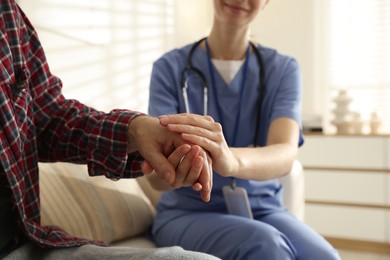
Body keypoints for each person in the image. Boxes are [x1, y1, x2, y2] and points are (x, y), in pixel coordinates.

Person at [0, 1, 220, 259]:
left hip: (23, 242)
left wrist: (136, 129)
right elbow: (160, 181)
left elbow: (48, 119)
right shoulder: (169, 66)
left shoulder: (7, 14)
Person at [147, 0, 341, 259]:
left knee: (325, 257)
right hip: (189, 212)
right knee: (265, 244)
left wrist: (230, 160)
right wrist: (174, 170)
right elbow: (155, 177)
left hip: (264, 209)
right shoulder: (169, 69)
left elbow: (285, 153)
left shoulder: (283, 70)